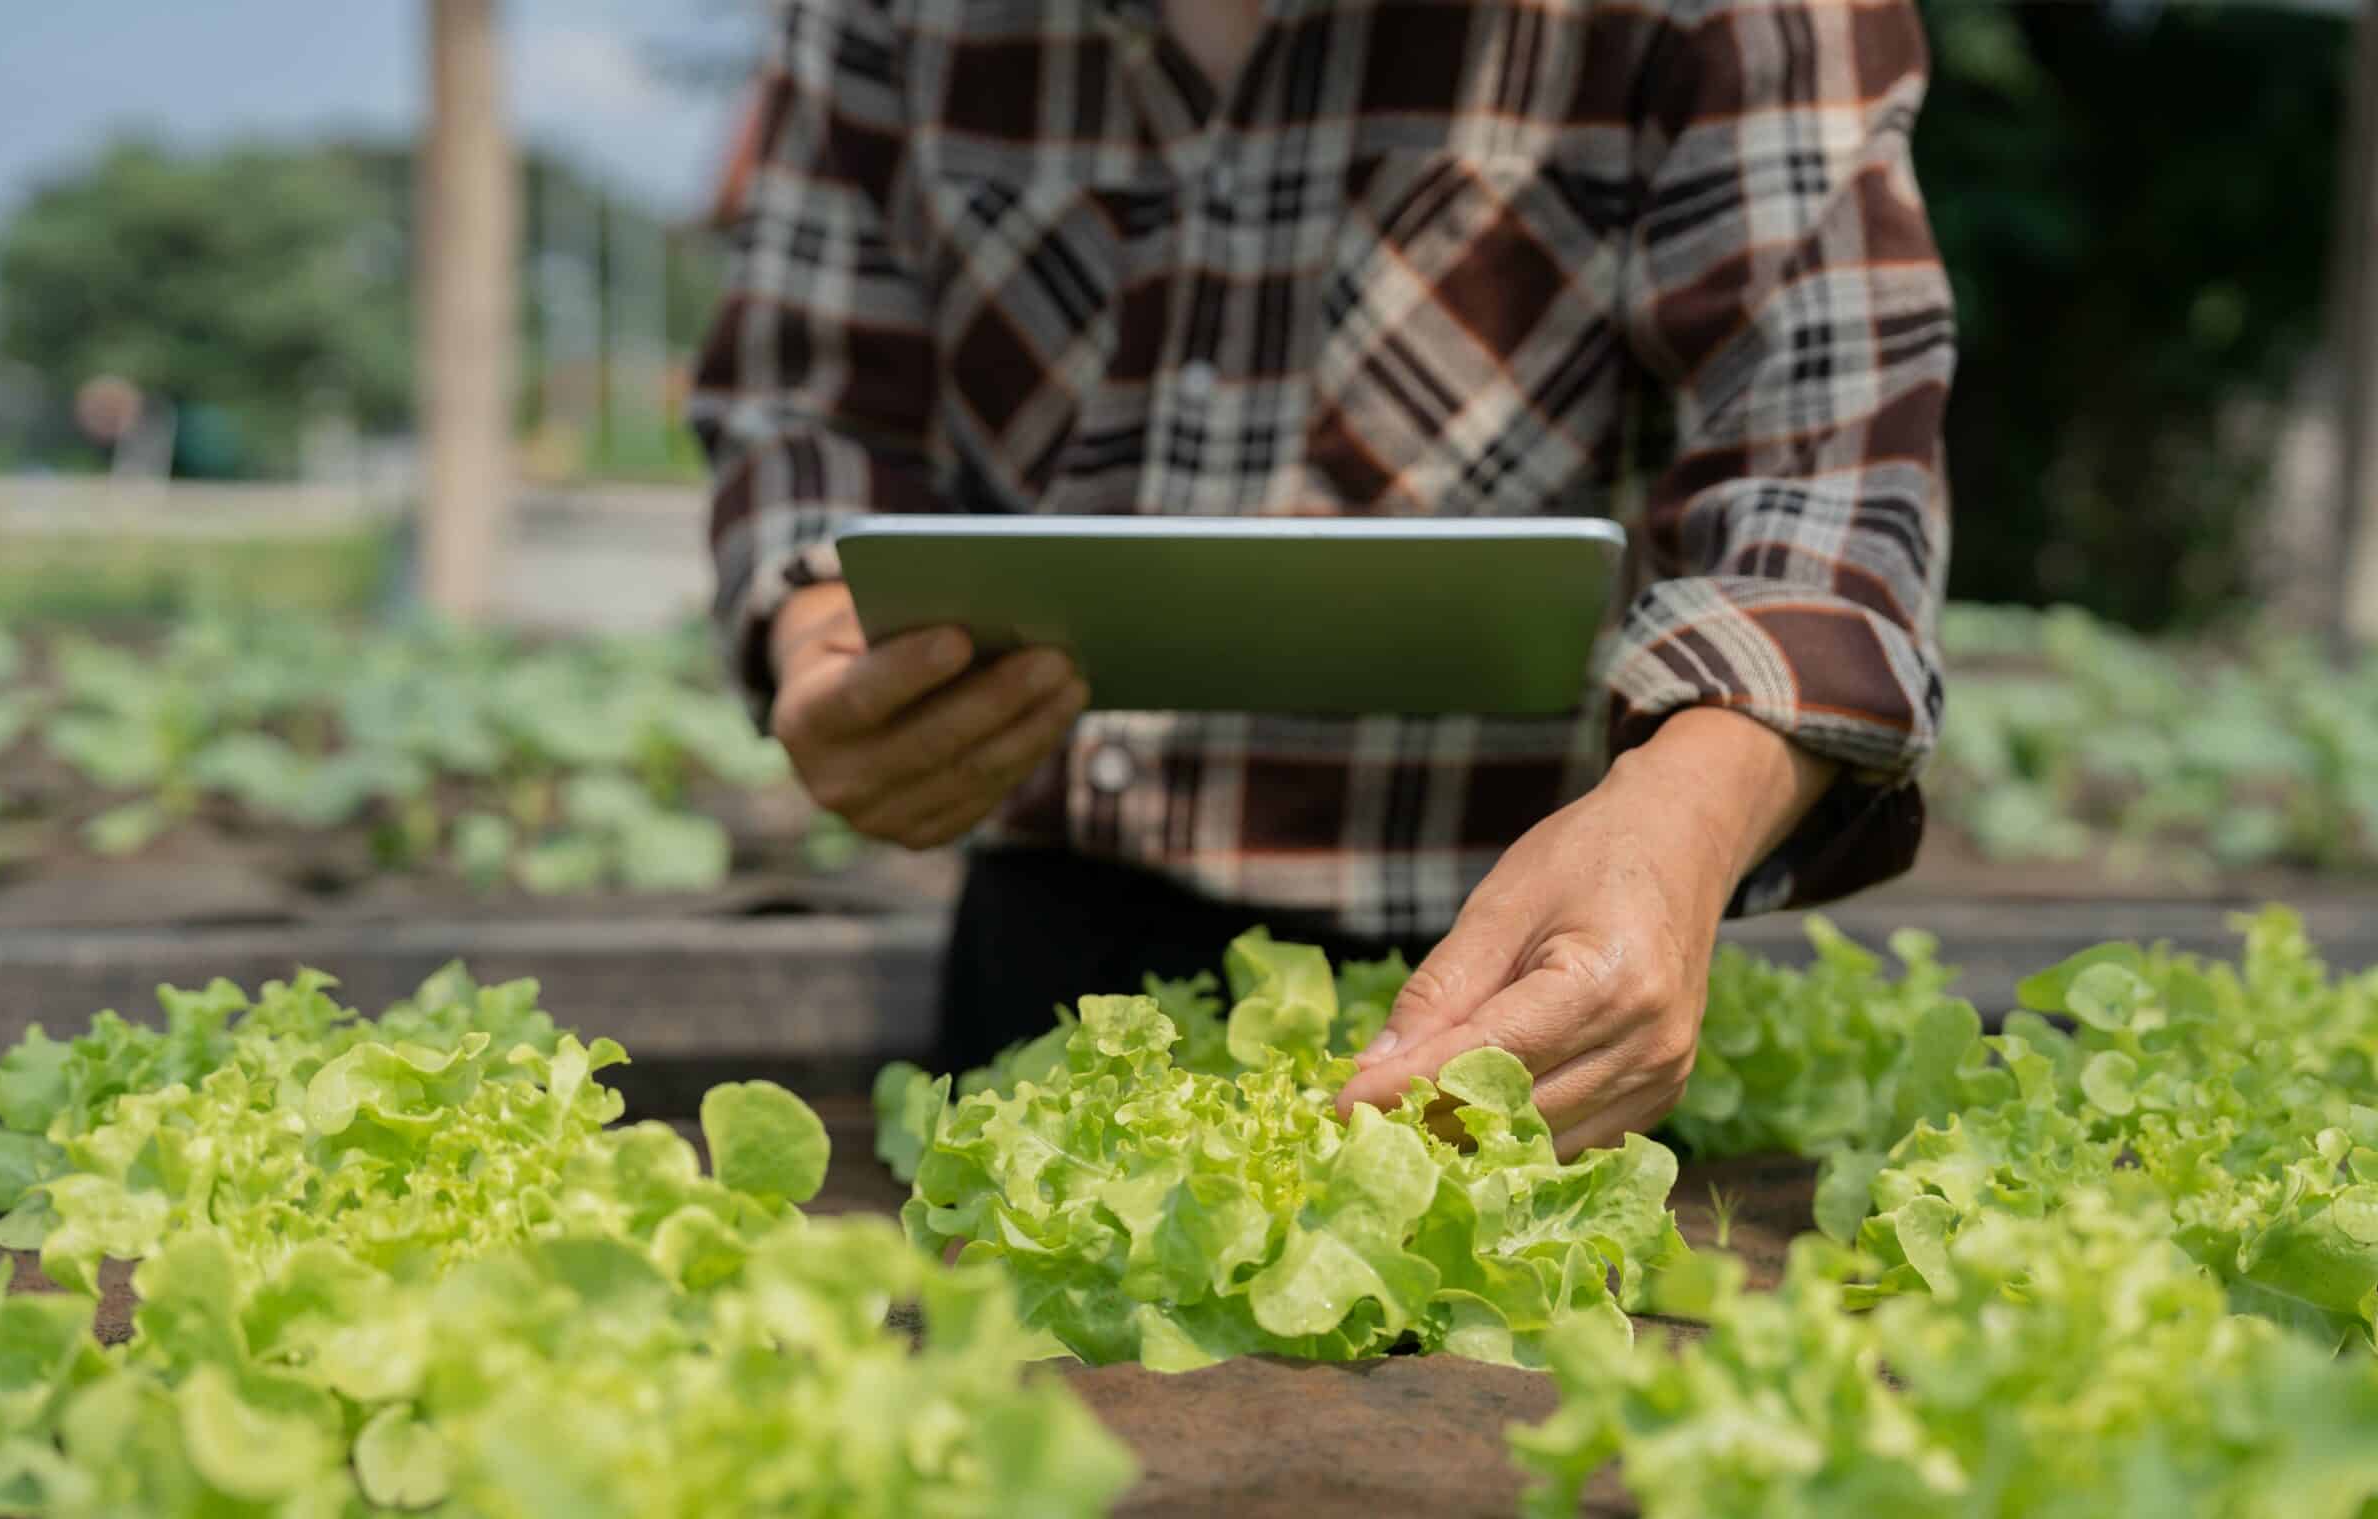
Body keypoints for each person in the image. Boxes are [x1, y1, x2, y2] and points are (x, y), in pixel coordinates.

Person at [692, 0, 1953, 1157]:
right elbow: (803, 400)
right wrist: (823, 636)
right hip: (1046, 937)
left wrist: (1692, 806)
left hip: (1516, 958)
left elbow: (1827, 462)